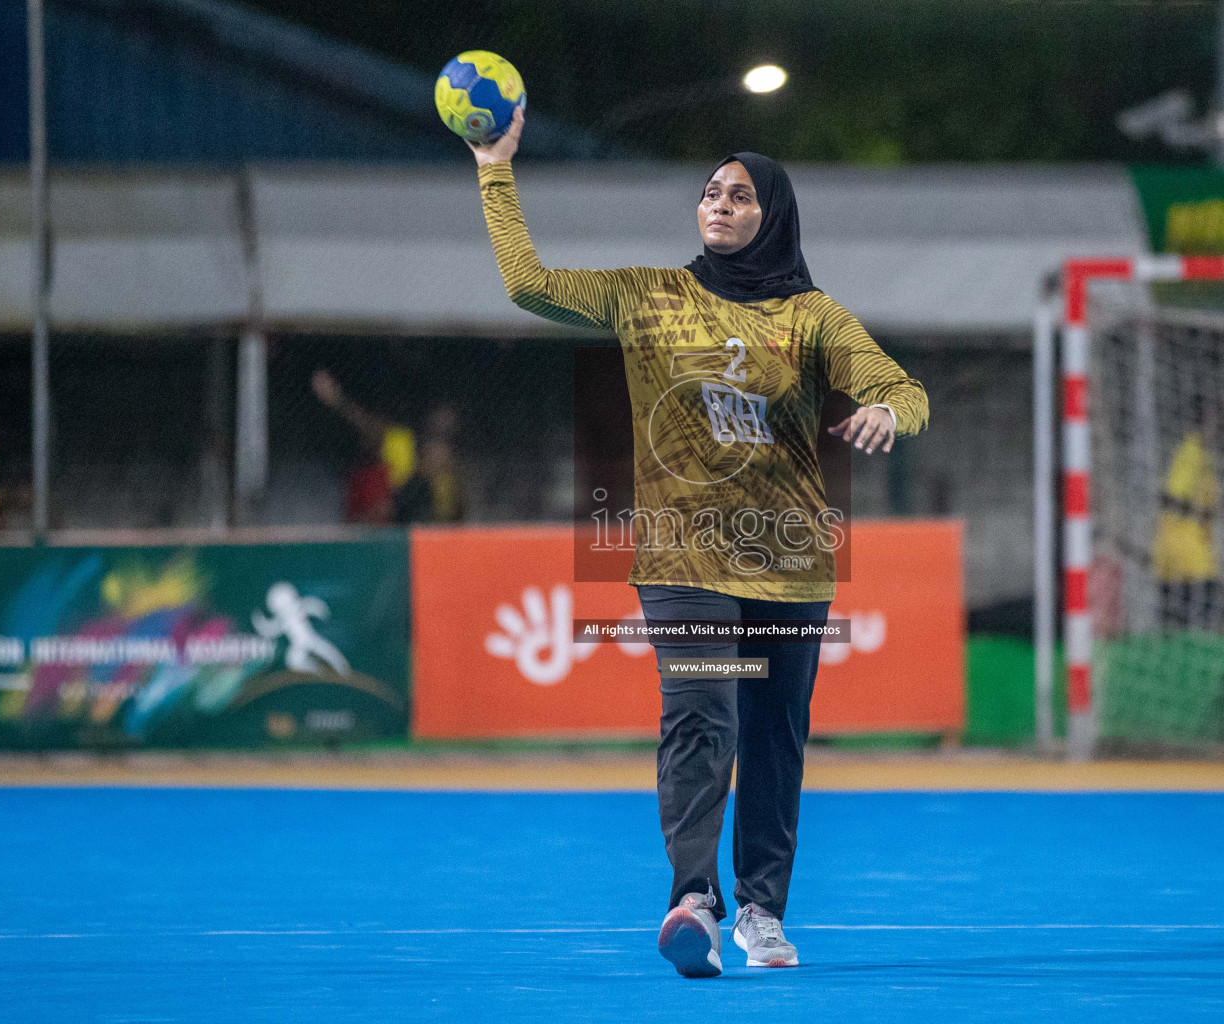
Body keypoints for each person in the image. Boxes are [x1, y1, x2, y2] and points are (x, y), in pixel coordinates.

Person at [467, 110, 928, 977]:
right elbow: (527, 284)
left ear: (774, 215)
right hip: (681, 555)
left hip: (790, 559)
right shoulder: (646, 294)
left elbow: (903, 387)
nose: (719, 204)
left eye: (740, 195)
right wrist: (496, 167)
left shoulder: (812, 317)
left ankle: (761, 909)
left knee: (775, 737)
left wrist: (883, 412)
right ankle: (694, 900)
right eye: (710, 192)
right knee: (701, 713)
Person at [311, 370, 467, 525]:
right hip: (396, 521)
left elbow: (457, 516)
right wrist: (338, 400)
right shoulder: (399, 443)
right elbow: (366, 424)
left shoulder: (448, 477)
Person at [1152, 399, 1224, 629]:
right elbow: (1169, 497)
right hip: (1184, 553)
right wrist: (1199, 510)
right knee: (1218, 610)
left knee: (1183, 622)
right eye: (1216, 418)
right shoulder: (1191, 450)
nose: (1222, 425)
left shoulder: (1205, 455)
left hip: (1187, 552)